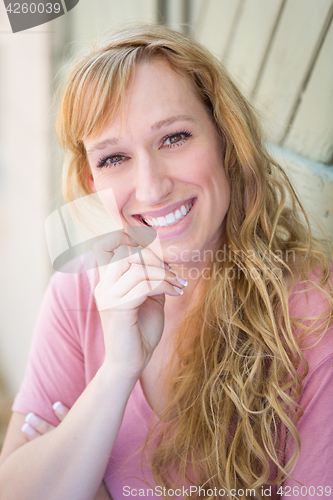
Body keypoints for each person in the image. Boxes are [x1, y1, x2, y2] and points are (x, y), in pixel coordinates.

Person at [0, 23, 333, 500]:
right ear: (92, 183)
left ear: (225, 139)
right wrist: (116, 372)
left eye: (174, 138)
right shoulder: (79, 292)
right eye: (114, 158)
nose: (152, 187)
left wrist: (78, 466)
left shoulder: (312, 314)